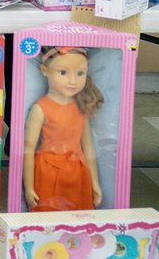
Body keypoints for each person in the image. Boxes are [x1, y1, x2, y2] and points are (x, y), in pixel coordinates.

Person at [22, 46, 104, 212]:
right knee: (48, 215)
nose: (73, 81)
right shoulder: (41, 108)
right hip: (49, 173)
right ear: (44, 70)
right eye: (63, 72)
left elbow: (88, 148)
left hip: (78, 173)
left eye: (80, 73)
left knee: (78, 217)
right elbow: (28, 149)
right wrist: (29, 187)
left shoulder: (81, 107)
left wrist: (94, 182)